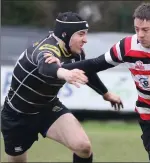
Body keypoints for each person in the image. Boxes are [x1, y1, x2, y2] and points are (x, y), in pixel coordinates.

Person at [45, 3, 150, 163]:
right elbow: (94, 64)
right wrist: (61, 66)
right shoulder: (128, 46)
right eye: (136, 29)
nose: (140, 35)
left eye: (145, 30)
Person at [1, 11, 123, 163]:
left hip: (48, 108)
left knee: (83, 147)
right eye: (81, 34)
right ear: (66, 34)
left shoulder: (76, 53)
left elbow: (86, 71)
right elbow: (45, 66)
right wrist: (64, 72)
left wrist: (105, 94)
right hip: (18, 114)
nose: (85, 40)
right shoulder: (45, 49)